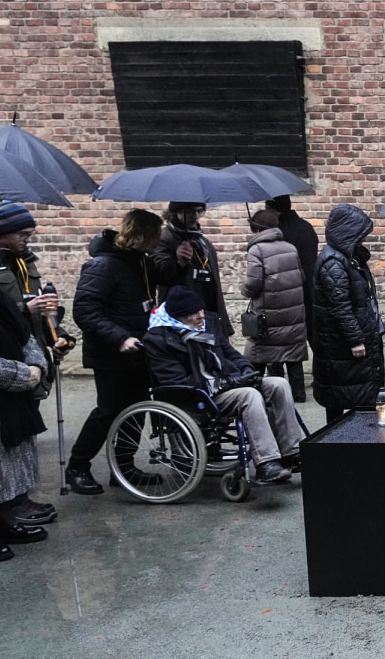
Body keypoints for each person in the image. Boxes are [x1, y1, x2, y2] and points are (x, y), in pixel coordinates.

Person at [0, 200, 74, 524]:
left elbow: (22, 326)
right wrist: (22, 373)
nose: (27, 240)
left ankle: (15, 504)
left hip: (22, 364)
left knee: (18, 443)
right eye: (23, 234)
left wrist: (43, 354)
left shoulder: (21, 264)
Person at [142, 286, 300, 484]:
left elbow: (230, 353)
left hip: (223, 386)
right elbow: (179, 384)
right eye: (194, 313)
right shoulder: (158, 339)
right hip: (196, 398)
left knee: (278, 384)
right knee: (249, 396)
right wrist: (230, 382)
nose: (201, 316)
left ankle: (291, 452)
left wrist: (247, 371)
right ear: (179, 317)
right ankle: (267, 463)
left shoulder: (207, 323)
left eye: (201, 310)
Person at [66, 208, 165, 495]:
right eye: (155, 235)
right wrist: (120, 338)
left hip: (138, 349)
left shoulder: (139, 262)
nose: (159, 241)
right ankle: (77, 467)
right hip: (111, 353)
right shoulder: (103, 265)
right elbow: (85, 310)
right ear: (142, 235)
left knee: (136, 410)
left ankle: (123, 467)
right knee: (108, 411)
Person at [0, 238, 50, 563]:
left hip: (12, 401)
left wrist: (36, 366)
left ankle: (4, 522)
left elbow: (25, 334)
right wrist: (21, 375)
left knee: (7, 465)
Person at [312, 204, 385, 422]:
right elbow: (340, 306)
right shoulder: (334, 262)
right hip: (341, 345)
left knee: (354, 393)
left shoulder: (347, 258)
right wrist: (355, 339)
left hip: (345, 341)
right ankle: (346, 445)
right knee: (344, 396)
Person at [238, 209, 309, 402]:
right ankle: (298, 394)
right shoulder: (290, 247)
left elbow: (253, 284)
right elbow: (300, 276)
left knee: (259, 353)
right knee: (292, 354)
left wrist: (242, 289)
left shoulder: (256, 250)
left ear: (256, 228)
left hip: (268, 315)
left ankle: (262, 394)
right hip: (293, 313)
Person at [151, 202, 232, 338]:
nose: (195, 216)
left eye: (199, 211)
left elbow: (215, 287)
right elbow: (161, 276)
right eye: (189, 211)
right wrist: (178, 263)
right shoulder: (164, 239)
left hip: (208, 315)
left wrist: (225, 328)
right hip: (181, 317)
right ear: (176, 211)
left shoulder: (203, 242)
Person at [264, 196, 319, 337]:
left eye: (267, 209)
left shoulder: (279, 232)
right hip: (311, 287)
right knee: (314, 335)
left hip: (288, 292)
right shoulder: (306, 226)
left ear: (277, 211)